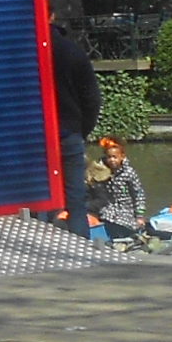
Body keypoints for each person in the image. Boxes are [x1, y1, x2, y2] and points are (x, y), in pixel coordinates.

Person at [49, 23, 100, 236]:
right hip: (69, 132)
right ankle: (81, 249)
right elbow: (91, 98)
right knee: (76, 200)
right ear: (52, 16)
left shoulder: (21, 52)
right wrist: (82, 130)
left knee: (41, 198)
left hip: (35, 136)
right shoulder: (73, 52)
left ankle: (41, 243)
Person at [84, 136, 148, 242]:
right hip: (106, 211)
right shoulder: (101, 170)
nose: (112, 160)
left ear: (122, 156)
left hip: (125, 212)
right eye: (109, 157)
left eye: (115, 157)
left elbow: (138, 195)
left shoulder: (129, 173)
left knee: (125, 226)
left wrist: (140, 216)